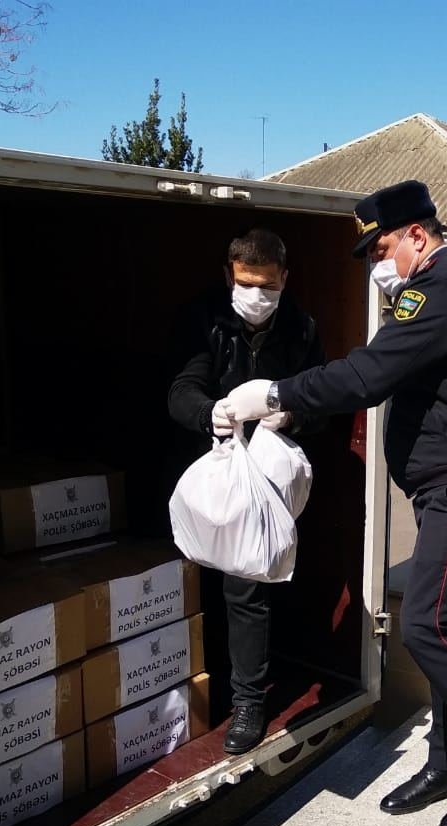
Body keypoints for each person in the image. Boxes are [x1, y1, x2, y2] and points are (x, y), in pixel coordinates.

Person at [217, 181, 447, 826]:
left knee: (430, 625)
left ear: (418, 235)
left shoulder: (438, 288)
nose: (374, 264)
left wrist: (275, 389)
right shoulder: (436, 289)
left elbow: (368, 375)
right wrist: (294, 404)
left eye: (381, 247)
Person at [167, 228, 325, 753]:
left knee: (247, 583)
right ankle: (206, 681)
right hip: (218, 470)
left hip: (272, 478)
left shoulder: (301, 328)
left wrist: (292, 414)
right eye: (245, 283)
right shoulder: (206, 319)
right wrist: (204, 412)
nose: (256, 296)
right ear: (229, 274)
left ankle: (249, 703)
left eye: (267, 286)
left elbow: (323, 398)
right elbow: (182, 386)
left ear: (285, 278)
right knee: (210, 579)